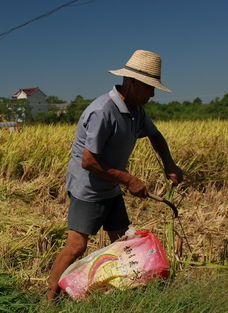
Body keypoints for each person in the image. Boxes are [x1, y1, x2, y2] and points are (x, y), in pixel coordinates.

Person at [46, 50, 184, 299]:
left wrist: (170, 165)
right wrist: (129, 179)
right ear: (131, 83)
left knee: (121, 242)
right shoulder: (103, 111)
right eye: (149, 88)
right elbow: (88, 162)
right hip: (88, 187)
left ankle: (121, 291)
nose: (152, 95)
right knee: (76, 245)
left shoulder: (136, 110)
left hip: (110, 185)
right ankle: (48, 298)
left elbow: (156, 136)